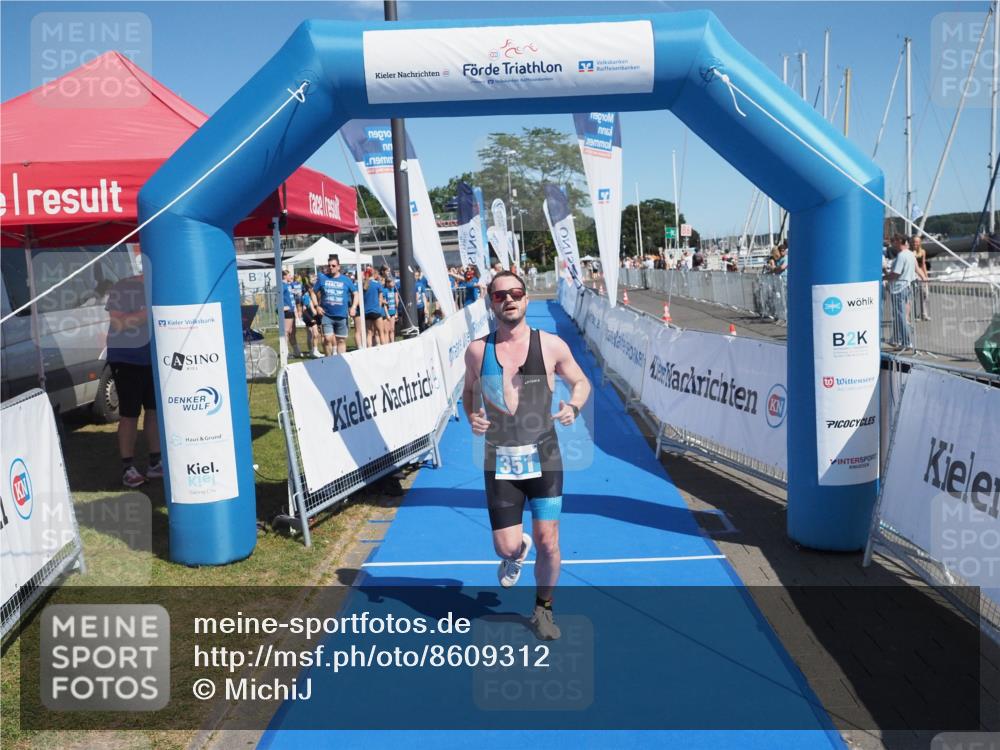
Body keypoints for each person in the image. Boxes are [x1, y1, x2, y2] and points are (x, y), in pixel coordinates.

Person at [462, 270, 592, 641]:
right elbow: (468, 391)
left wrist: (574, 407)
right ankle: (517, 551)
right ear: (491, 302)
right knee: (505, 545)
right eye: (500, 295)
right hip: (500, 460)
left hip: (545, 457)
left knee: (549, 539)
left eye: (516, 292)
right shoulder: (477, 351)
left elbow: (580, 382)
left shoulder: (550, 345)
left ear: (526, 299)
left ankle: (543, 610)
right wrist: (473, 415)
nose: (509, 299)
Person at [105, 274, 161, 488]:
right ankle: (127, 467)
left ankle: (155, 463)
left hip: (153, 359)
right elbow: (118, 323)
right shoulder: (123, 286)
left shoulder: (162, 284)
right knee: (129, 413)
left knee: (154, 411)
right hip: (127, 358)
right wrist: (152, 310)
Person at [310, 254, 359, 355]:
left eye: (333, 265)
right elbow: (313, 292)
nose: (331, 267)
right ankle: (329, 361)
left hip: (342, 316)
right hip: (326, 315)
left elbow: (356, 293)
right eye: (329, 265)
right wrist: (316, 306)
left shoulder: (346, 279)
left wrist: (353, 307)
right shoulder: (323, 278)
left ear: (338, 267)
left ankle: (340, 362)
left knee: (341, 340)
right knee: (327, 338)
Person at [884, 234, 916, 351]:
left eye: (893, 241)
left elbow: (896, 274)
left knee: (900, 316)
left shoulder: (901, 256)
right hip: (907, 286)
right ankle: (897, 339)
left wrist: (883, 277)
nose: (892, 243)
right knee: (900, 316)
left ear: (899, 241)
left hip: (899, 287)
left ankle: (907, 342)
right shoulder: (911, 254)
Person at [360, 267, 385, 347]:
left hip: (367, 312)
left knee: (369, 333)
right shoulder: (378, 284)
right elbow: (380, 298)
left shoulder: (364, 284)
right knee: (381, 332)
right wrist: (380, 308)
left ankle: (369, 349)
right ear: (374, 274)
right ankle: (384, 348)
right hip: (376, 311)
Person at [281, 269, 303, 358]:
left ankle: (296, 351)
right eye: (289, 275)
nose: (291, 277)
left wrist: (296, 293)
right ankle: (285, 352)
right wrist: (282, 307)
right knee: (286, 332)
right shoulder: (282, 285)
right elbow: (278, 297)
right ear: (284, 276)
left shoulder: (289, 285)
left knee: (292, 332)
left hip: (292, 311)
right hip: (287, 311)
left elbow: (292, 295)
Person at [912, 234, 930, 320]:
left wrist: (926, 276)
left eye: (918, 241)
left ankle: (924, 314)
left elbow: (923, 264)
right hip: (913, 274)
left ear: (920, 243)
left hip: (921, 274)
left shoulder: (922, 252)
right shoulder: (910, 252)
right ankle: (915, 315)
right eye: (915, 241)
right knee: (914, 295)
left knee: (924, 294)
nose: (916, 243)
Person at [381, 269, 400, 343]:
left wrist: (396, 313)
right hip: (387, 313)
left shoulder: (394, 290)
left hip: (393, 312)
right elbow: (385, 304)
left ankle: (392, 342)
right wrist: (387, 314)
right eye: (392, 282)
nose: (394, 283)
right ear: (388, 283)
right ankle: (387, 343)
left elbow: (396, 302)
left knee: (392, 329)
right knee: (387, 330)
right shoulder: (385, 291)